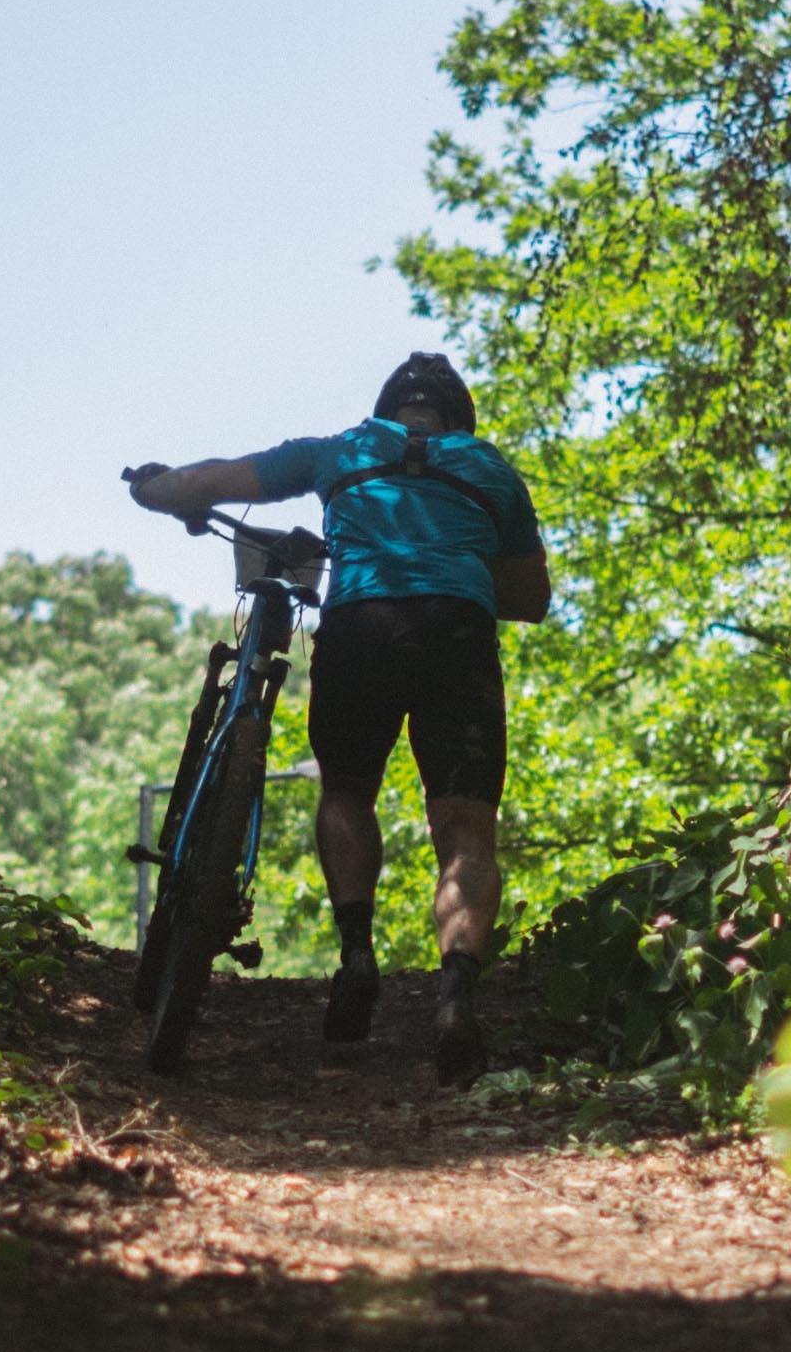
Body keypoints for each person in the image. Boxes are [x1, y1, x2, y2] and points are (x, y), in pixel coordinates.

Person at [128, 351, 549, 1084]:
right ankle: (454, 997)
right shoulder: (489, 467)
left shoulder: (345, 448)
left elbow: (211, 479)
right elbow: (529, 597)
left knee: (347, 790)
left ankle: (357, 953)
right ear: (457, 418)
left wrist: (154, 488)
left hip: (361, 626)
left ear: (389, 408)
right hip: (456, 632)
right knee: (464, 828)